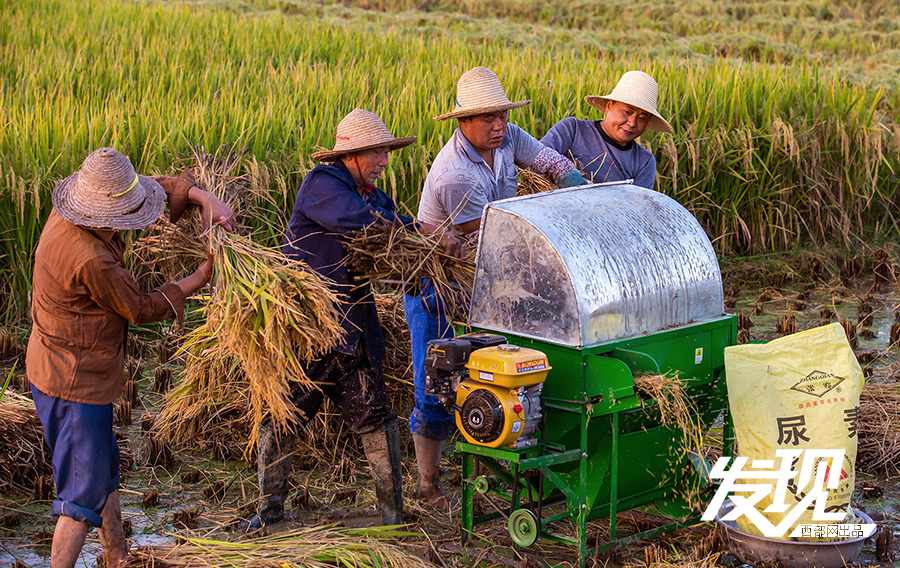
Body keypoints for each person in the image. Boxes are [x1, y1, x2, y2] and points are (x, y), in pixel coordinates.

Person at [245, 108, 456, 530]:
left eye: (385, 153)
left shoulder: (374, 196)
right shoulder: (322, 185)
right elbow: (364, 225)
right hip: (313, 331)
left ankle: (392, 515)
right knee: (282, 415)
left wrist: (427, 245)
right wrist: (423, 231)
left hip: (355, 331)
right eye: (377, 153)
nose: (384, 162)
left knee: (376, 418)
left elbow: (394, 238)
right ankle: (269, 512)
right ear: (354, 155)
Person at [26, 147, 234, 568]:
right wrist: (200, 276)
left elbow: (138, 192)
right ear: (103, 216)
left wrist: (199, 196)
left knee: (100, 471)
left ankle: (117, 556)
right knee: (80, 494)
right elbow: (139, 308)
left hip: (63, 367)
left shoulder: (73, 208)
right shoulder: (90, 259)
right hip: (73, 382)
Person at [408, 66, 588, 508]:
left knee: (500, 380)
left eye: (502, 115)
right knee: (438, 382)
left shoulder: (505, 138)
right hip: (444, 285)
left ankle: (502, 475)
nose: (498, 124)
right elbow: (489, 234)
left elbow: (546, 159)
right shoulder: (454, 175)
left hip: (488, 282)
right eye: (487, 117)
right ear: (462, 121)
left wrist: (578, 188)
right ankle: (428, 488)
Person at [541, 70, 672, 190]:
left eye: (642, 118)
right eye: (627, 112)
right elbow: (537, 158)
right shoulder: (572, 130)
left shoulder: (644, 161)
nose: (632, 123)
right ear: (609, 106)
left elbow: (637, 206)